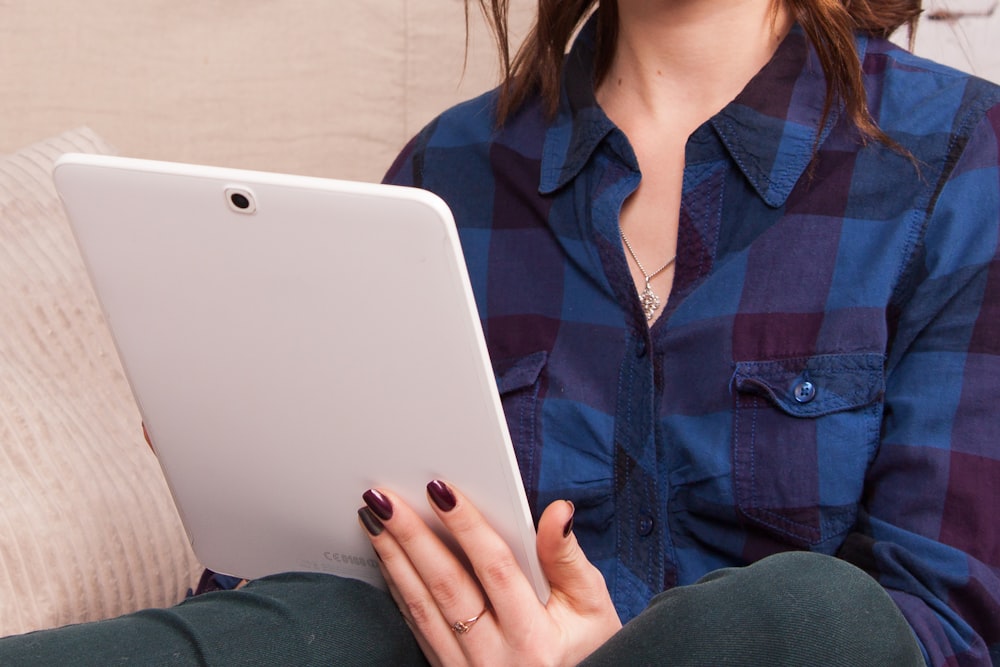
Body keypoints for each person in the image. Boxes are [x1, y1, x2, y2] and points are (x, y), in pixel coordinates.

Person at [3, 0, 998, 664]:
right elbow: (309, 579)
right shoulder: (449, 170)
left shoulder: (957, 156)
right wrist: (240, 450)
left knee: (815, 615)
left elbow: (945, 627)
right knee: (325, 615)